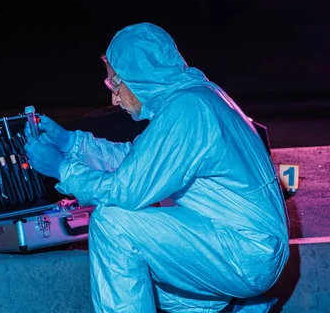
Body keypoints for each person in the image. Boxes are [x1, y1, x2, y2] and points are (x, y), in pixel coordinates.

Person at [24, 23, 290, 312]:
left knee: (113, 223)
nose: (113, 97)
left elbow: (125, 190)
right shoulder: (196, 98)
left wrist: (63, 169)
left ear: (139, 77)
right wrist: (70, 143)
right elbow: (136, 162)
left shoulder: (187, 111)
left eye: (115, 83)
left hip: (243, 253)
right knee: (145, 278)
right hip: (243, 248)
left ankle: (237, 304)